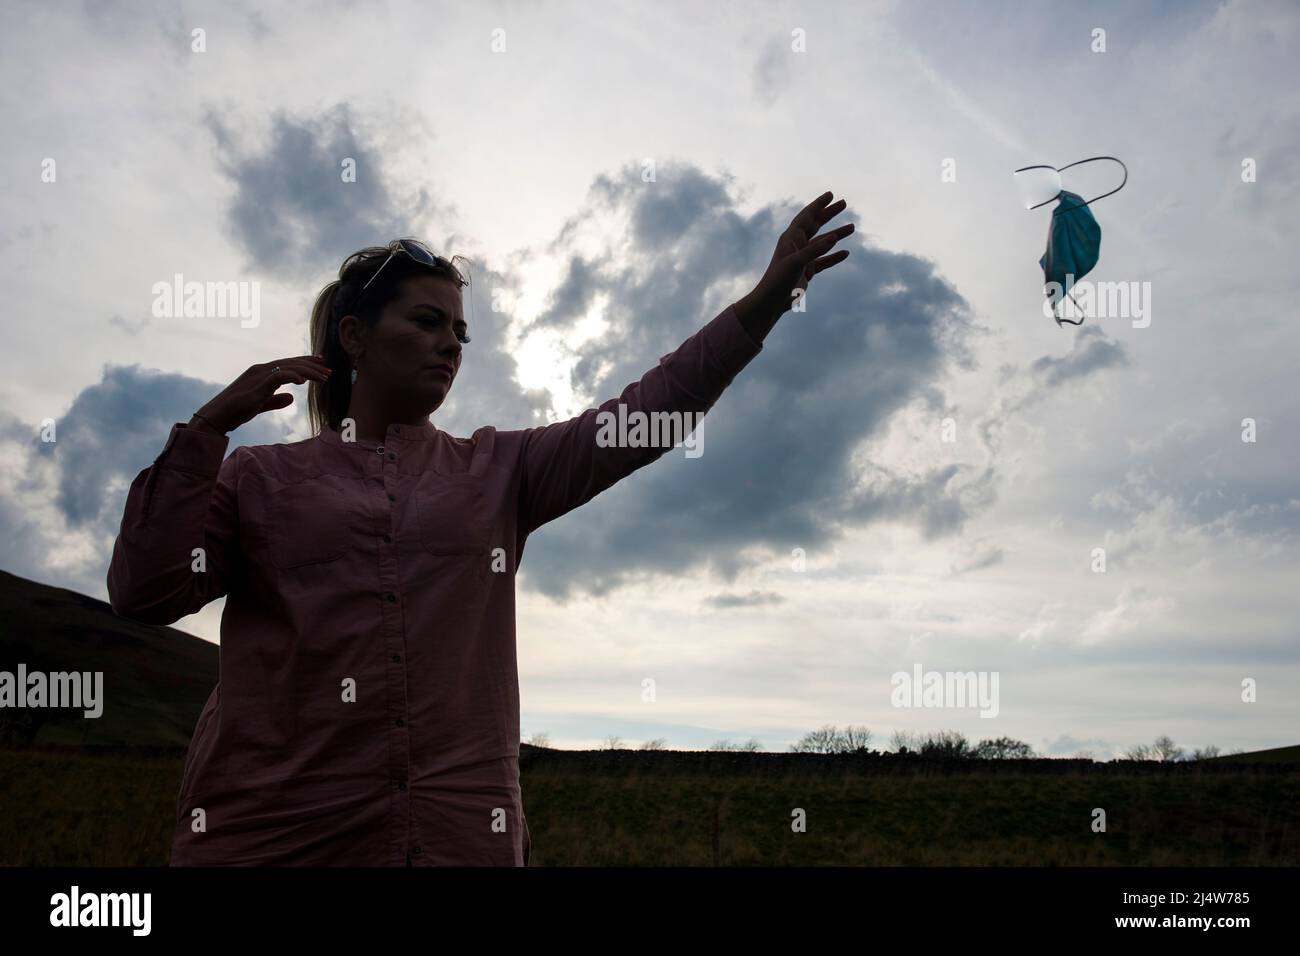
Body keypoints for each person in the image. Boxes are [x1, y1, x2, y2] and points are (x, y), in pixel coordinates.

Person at [106, 192, 854, 865]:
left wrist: (762, 304)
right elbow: (147, 591)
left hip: (458, 836)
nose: (451, 345)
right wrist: (207, 431)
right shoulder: (257, 478)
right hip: (274, 835)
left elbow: (645, 414)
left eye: (460, 332)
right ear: (354, 336)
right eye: (427, 322)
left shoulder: (502, 470)